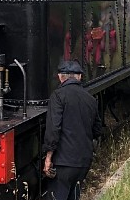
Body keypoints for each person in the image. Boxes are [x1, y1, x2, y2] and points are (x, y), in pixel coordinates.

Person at [43, 60, 102, 200]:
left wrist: (48, 158)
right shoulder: (90, 99)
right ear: (79, 77)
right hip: (84, 162)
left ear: (60, 77)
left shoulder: (58, 96)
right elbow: (97, 130)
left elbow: (53, 129)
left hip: (64, 162)